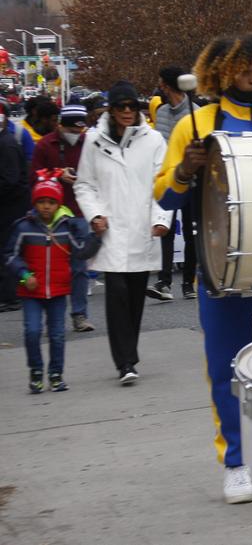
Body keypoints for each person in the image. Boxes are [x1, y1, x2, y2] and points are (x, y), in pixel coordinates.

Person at [153, 33, 252, 505]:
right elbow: (165, 196)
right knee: (228, 370)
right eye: (245, 68)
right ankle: (237, 463)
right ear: (222, 71)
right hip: (221, 268)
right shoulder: (197, 123)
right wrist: (185, 170)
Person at [74, 81, 171, 384]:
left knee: (134, 299)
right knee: (116, 296)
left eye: (132, 106)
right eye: (121, 107)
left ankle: (130, 354)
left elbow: (164, 183)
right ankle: (125, 363)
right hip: (112, 231)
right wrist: (95, 215)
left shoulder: (154, 140)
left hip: (142, 229)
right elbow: (84, 184)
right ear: (111, 110)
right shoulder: (93, 141)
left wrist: (161, 218)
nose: (127, 112)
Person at [4, 172, 102, 393]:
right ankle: (36, 372)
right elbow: (10, 255)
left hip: (58, 291)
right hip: (31, 292)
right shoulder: (24, 227)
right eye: (41, 202)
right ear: (34, 203)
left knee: (57, 334)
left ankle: (56, 374)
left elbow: (80, 252)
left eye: (51, 202)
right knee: (32, 331)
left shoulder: (66, 228)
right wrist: (24, 276)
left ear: (58, 204)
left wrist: (96, 237)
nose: (46, 207)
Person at [30, 104, 95, 331]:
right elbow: (35, 176)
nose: (77, 134)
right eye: (73, 130)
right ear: (61, 125)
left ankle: (79, 315)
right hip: (51, 217)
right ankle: (50, 316)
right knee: (49, 268)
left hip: (80, 213)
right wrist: (58, 174)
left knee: (79, 267)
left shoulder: (89, 143)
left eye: (81, 130)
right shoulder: (45, 145)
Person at [144, 66, 200, 302]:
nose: (161, 88)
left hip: (190, 179)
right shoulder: (162, 112)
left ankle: (188, 282)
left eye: (163, 84)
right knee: (164, 229)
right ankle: (164, 282)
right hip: (168, 177)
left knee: (190, 232)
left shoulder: (195, 113)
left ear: (170, 85)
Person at [0, 101, 31, 313]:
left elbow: (9, 180)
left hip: (11, 207)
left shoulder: (7, 144)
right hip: (10, 204)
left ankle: (9, 296)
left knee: (6, 248)